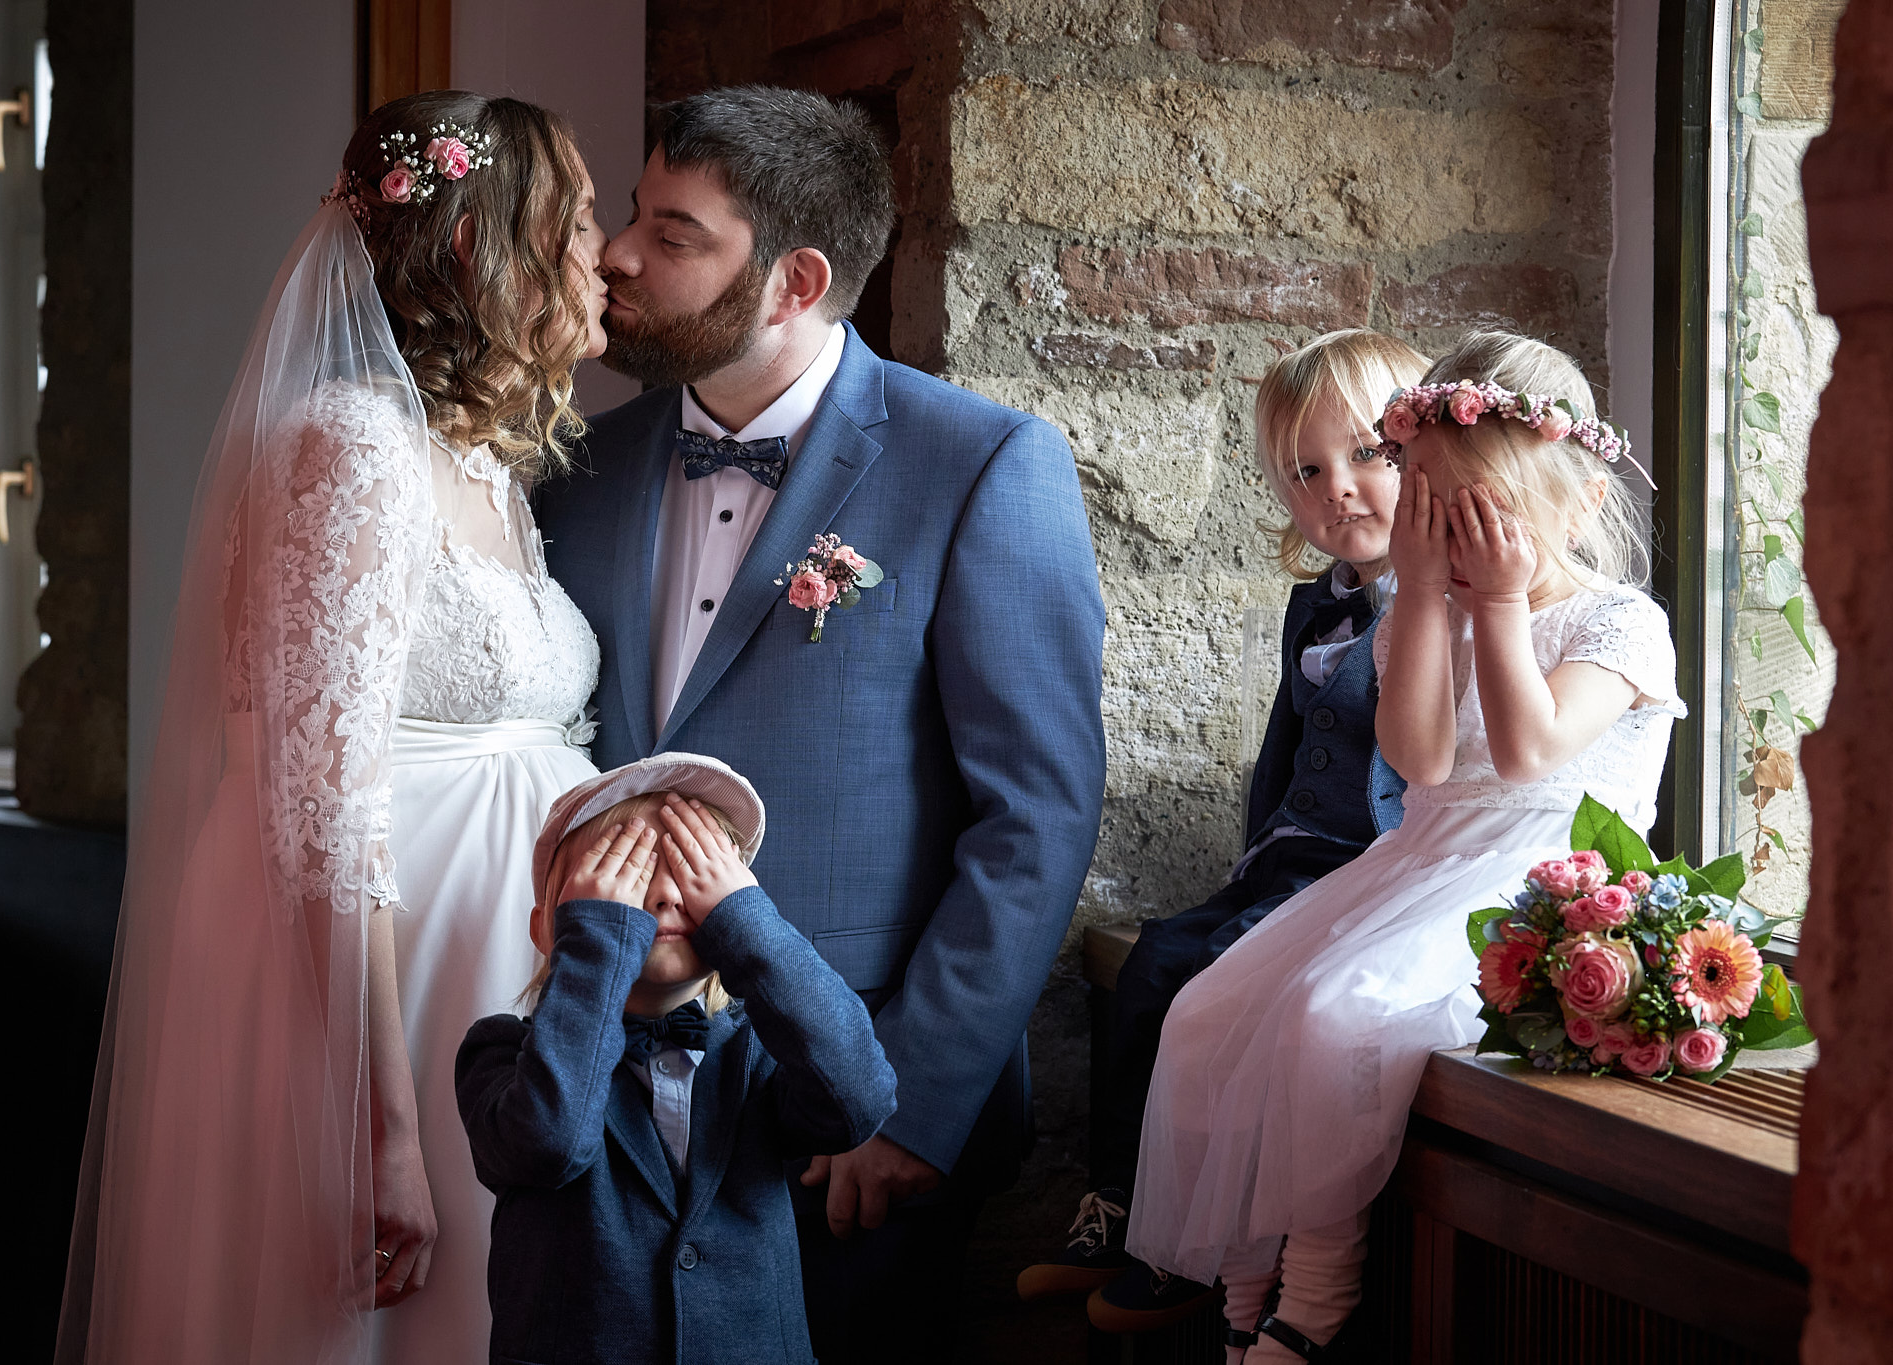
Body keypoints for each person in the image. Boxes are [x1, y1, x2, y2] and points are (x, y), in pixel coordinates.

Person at [536, 85, 1106, 1358]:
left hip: (844, 1106)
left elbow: (1036, 817)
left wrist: (907, 1108)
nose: (616, 254)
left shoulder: (980, 464)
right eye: (631, 215)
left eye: (673, 234)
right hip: (598, 1083)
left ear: (793, 281)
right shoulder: (575, 469)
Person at [56, 90, 609, 1365]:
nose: (604, 252)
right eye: (577, 221)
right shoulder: (351, 447)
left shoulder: (480, 465)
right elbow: (322, 808)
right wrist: (378, 1126)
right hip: (377, 1001)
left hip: (496, 976)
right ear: (476, 245)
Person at [1128, 331, 1683, 1363]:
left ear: (1578, 506)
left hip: (1537, 882)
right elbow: (1421, 761)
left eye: (1481, 514)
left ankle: (1314, 1292)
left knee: (1333, 1013)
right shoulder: (1415, 617)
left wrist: (1500, 603)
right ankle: (1241, 1273)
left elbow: (1523, 753)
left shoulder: (1619, 622)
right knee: (1206, 1011)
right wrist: (1424, 597)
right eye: (1432, 510)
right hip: (1417, 863)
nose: (1453, 539)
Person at [1010, 330, 1427, 1330]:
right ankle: (1119, 1207)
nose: (1337, 488)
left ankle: (1183, 1245)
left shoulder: (1437, 611)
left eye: (1365, 454)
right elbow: (1283, 750)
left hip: (1365, 873)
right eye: (1306, 471)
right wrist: (1253, 854)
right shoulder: (1314, 607)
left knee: (1208, 987)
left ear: (1423, 454)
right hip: (1287, 859)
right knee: (1149, 960)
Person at [456, 755, 898, 1365]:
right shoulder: (499, 1054)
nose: (664, 893)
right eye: (628, 874)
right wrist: (597, 940)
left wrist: (745, 924)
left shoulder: (764, 1051)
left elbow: (860, 1097)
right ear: (547, 929)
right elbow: (551, 1143)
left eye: (693, 874)